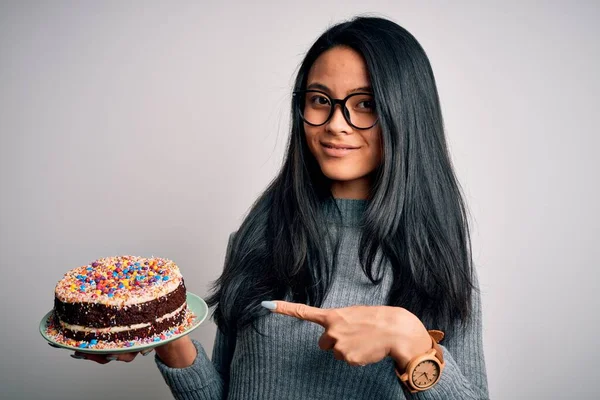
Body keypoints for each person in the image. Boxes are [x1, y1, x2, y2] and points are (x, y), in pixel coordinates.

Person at [72, 16, 489, 399]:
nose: (335, 124)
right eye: (320, 100)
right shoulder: (260, 233)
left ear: (406, 114)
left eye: (365, 104)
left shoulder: (436, 256)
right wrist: (168, 339)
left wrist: (413, 345)